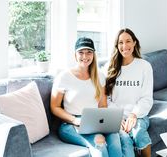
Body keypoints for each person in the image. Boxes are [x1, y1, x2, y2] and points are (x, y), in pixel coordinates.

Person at [50, 37, 122, 157]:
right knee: (99, 144)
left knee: (115, 139)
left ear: (93, 54)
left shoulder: (99, 75)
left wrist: (104, 124)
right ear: (75, 54)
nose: (85, 56)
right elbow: (54, 107)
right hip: (71, 124)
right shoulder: (63, 77)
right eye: (81, 52)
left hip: (95, 121)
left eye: (89, 52)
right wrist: (74, 120)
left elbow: (103, 106)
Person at [105, 28, 153, 157]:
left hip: (138, 115)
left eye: (128, 41)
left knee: (138, 133)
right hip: (116, 116)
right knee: (124, 139)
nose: (124, 46)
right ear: (117, 46)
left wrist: (133, 114)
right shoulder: (109, 68)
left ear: (134, 43)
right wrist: (118, 116)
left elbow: (147, 98)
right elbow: (106, 99)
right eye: (120, 42)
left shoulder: (144, 66)